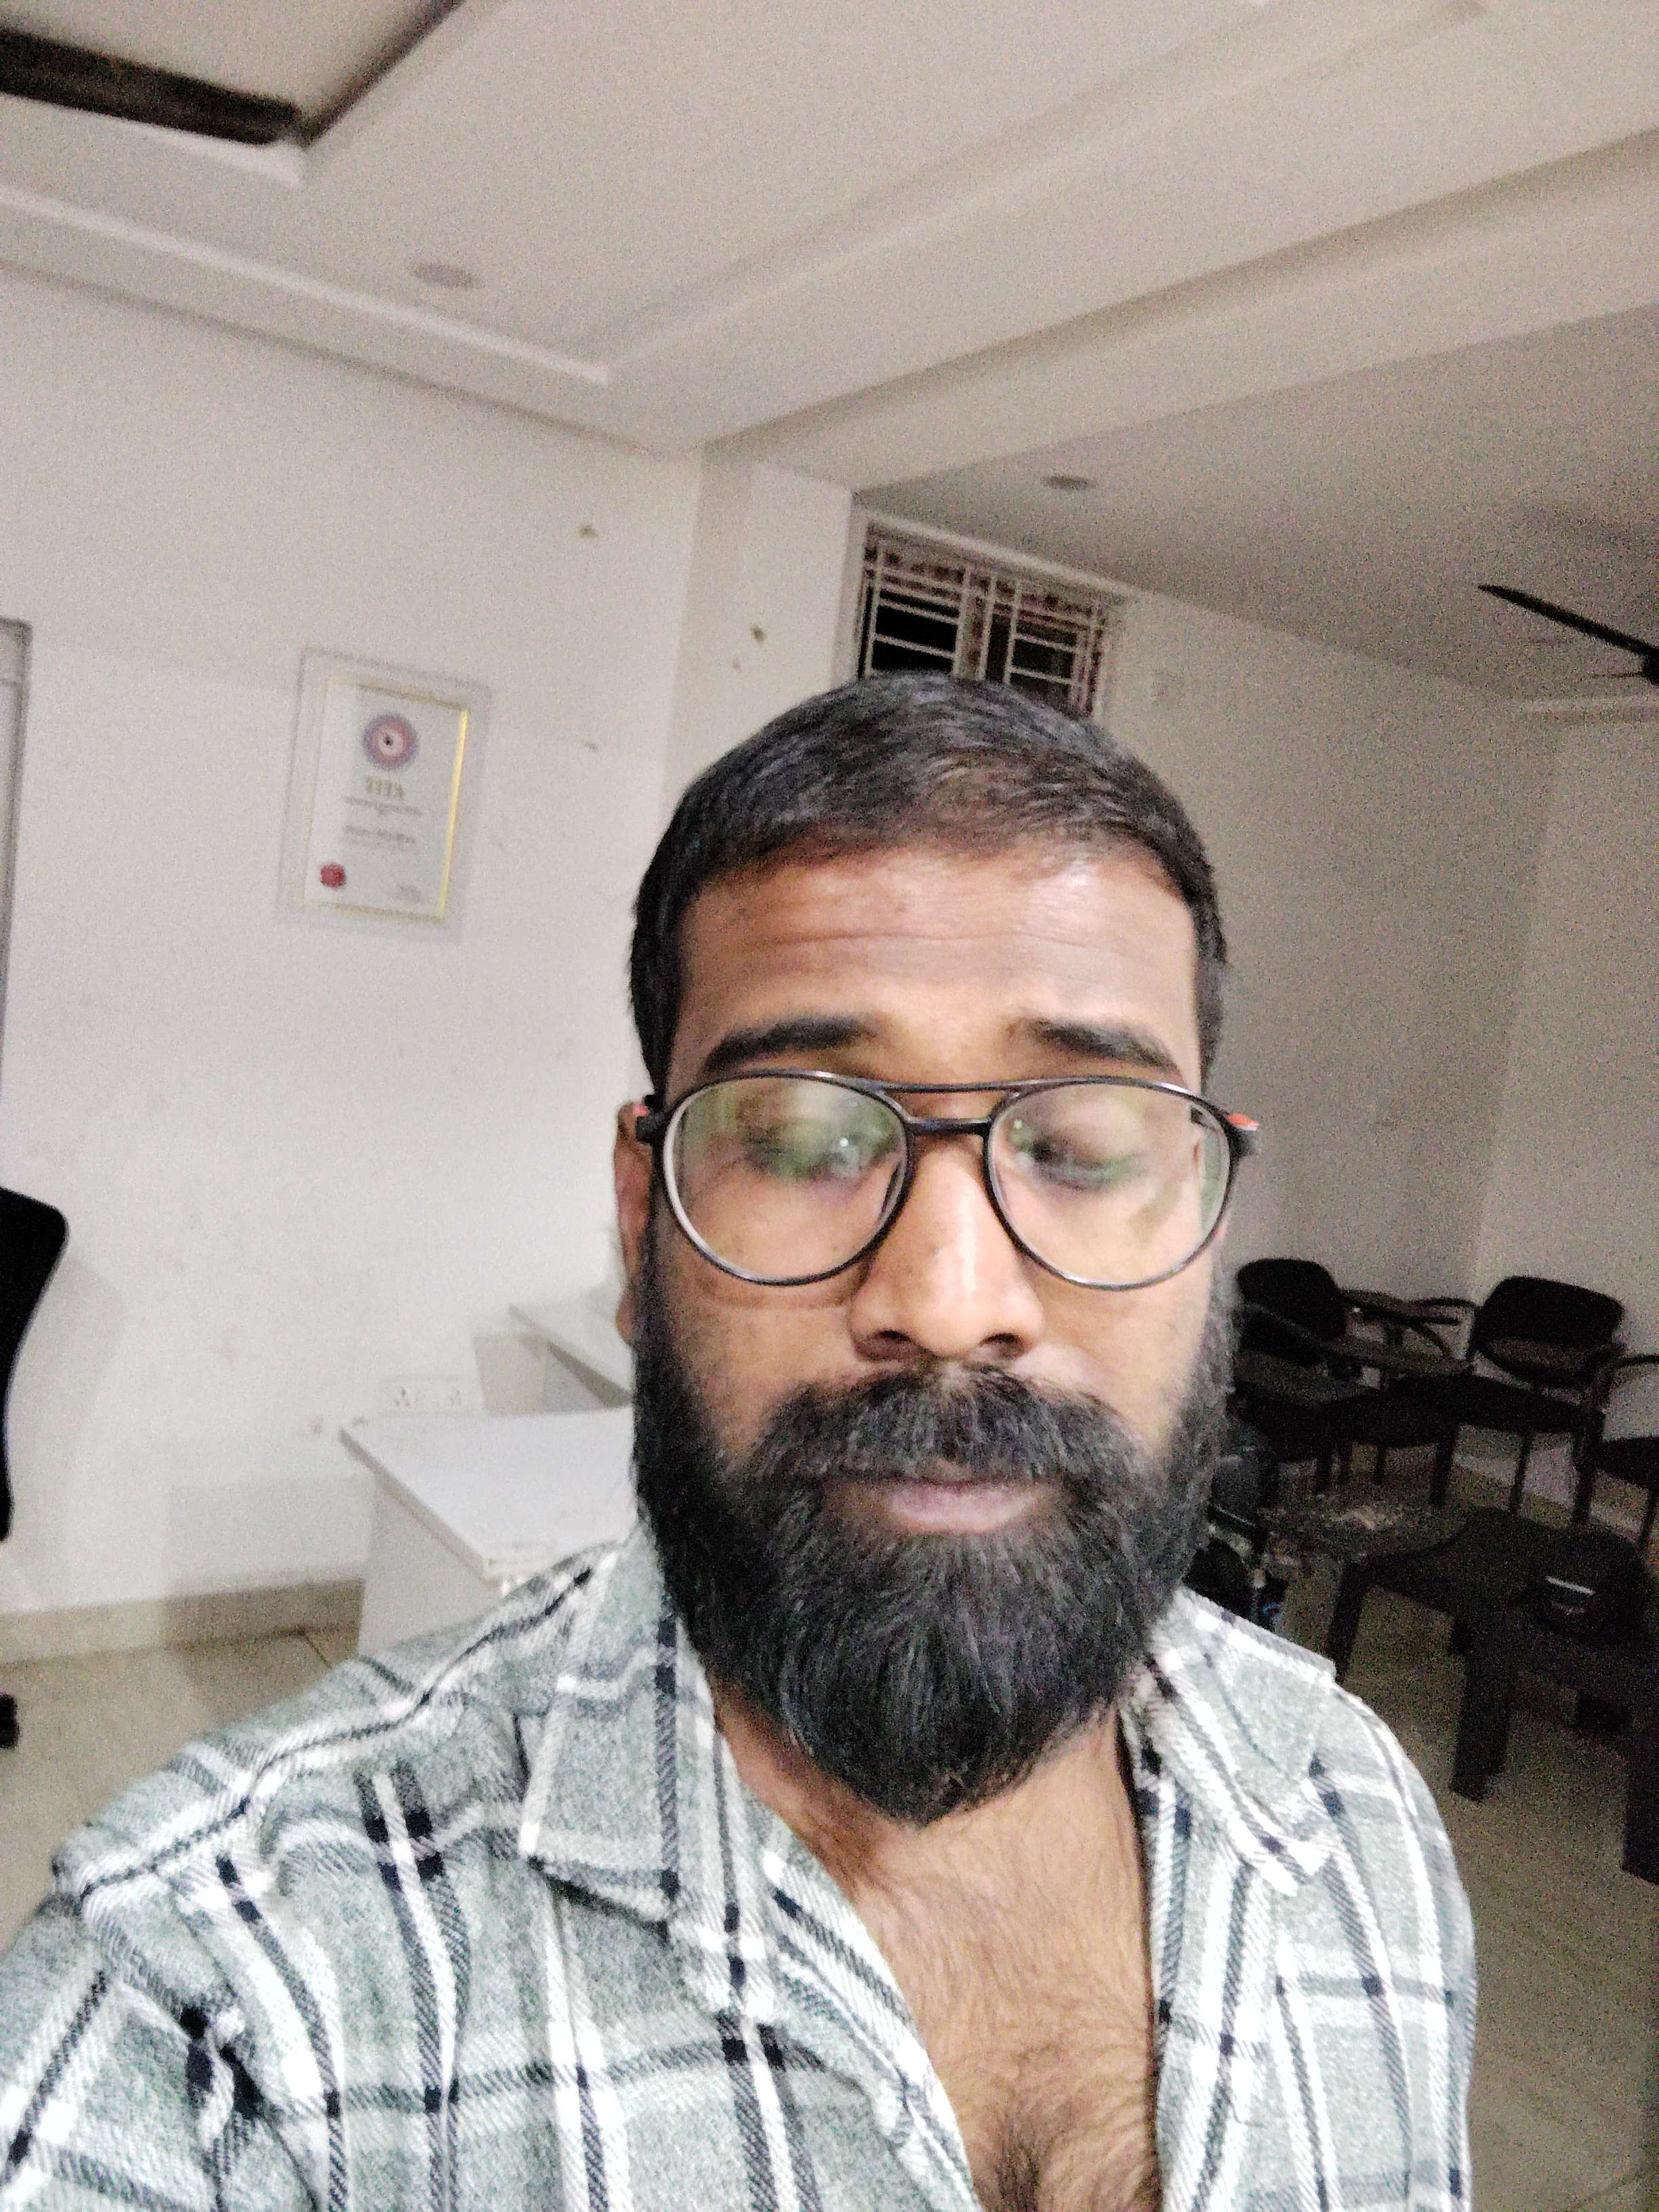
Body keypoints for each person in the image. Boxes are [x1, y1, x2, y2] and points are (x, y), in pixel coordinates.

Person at [0, 674, 1473, 2212]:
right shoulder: (211, 2009)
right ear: (642, 1222)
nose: (949, 1302)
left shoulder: (1353, 1813)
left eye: (1083, 1147)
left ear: (1206, 1214)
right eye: (801, 1142)